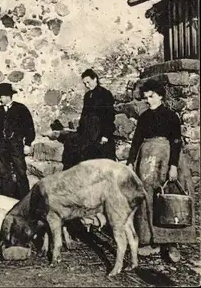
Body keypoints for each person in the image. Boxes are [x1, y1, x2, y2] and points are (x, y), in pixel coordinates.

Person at [127, 79, 196, 263]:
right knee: (147, 197)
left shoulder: (171, 116)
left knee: (170, 198)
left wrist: (173, 165)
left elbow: (176, 142)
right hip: (147, 162)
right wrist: (130, 162)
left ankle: (171, 242)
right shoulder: (144, 117)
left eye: (151, 97)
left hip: (167, 161)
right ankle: (149, 239)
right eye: (146, 97)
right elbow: (136, 141)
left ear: (161, 96)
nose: (148, 100)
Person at [0, 83, 35, 200]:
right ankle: (7, 199)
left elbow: (29, 127)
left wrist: (27, 144)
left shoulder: (21, 109)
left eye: (1, 96)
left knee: (20, 172)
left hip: (16, 145)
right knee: (4, 173)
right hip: (2, 146)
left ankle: (25, 199)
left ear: (7, 96)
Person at [61, 68, 116, 170]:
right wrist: (81, 129)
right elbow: (84, 114)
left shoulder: (105, 94)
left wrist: (105, 135)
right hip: (88, 131)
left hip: (99, 131)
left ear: (95, 79)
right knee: (71, 142)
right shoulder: (87, 96)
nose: (87, 85)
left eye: (88, 82)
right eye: (85, 83)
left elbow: (109, 116)